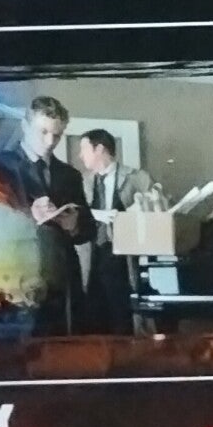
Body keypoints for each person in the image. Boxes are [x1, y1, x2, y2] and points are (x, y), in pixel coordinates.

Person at [0, 96, 92, 334]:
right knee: (18, 347)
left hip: (62, 277)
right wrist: (27, 215)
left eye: (57, 135)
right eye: (43, 132)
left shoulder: (70, 175)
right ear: (25, 126)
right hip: (15, 274)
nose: (49, 142)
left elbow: (89, 231)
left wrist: (74, 225)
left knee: (62, 347)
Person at [75, 127, 154, 334]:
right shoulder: (82, 182)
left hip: (124, 261)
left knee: (123, 317)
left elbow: (155, 215)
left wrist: (127, 216)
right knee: (94, 319)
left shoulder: (137, 178)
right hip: (91, 260)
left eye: (84, 149)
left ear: (100, 149)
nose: (80, 155)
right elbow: (75, 213)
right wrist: (96, 214)